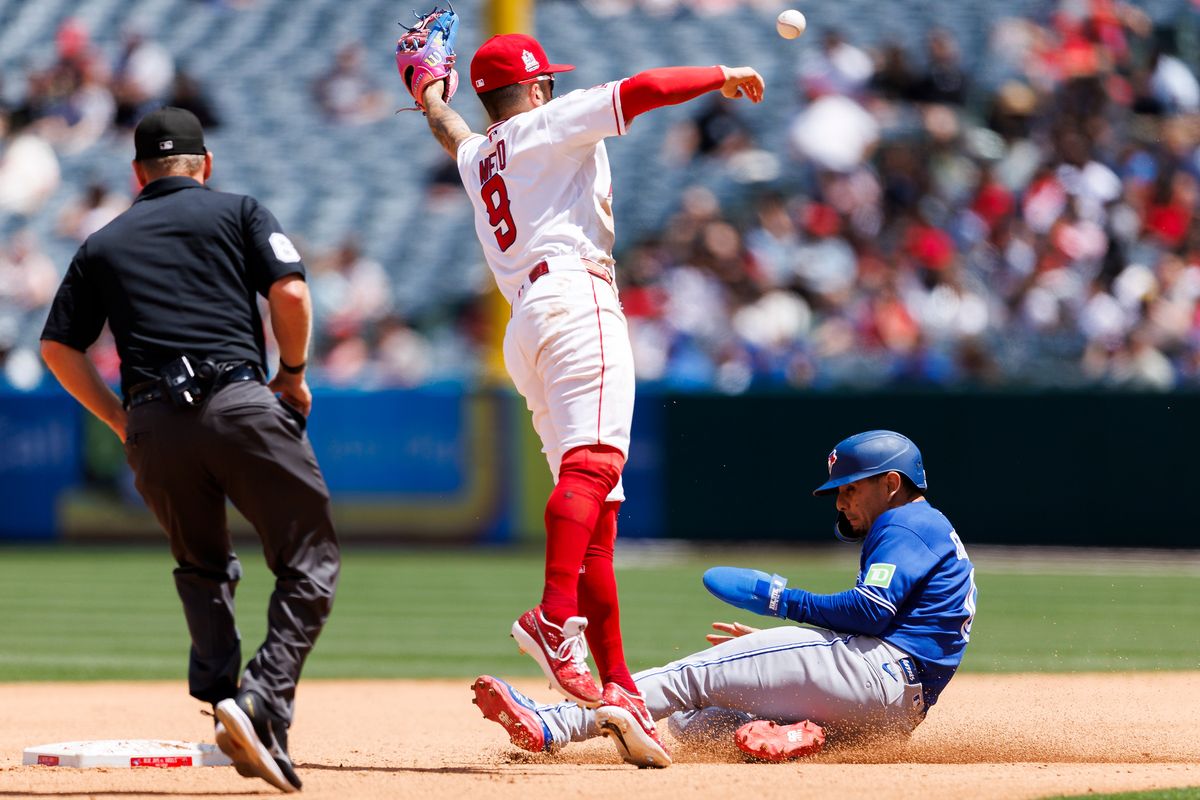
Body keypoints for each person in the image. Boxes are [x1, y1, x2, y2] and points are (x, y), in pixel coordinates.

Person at [407, 29, 764, 768]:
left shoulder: (478, 155)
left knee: (596, 505)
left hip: (526, 325)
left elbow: (448, 126)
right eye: (547, 81)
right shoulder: (545, 122)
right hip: (576, 299)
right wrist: (720, 73)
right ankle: (552, 617)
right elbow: (640, 89)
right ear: (534, 88)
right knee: (596, 470)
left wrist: (427, 92)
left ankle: (619, 686)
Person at [39, 107, 339, 794]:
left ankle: (226, 699)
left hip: (152, 422)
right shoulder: (239, 212)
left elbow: (57, 347)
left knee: (202, 565)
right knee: (309, 558)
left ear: (137, 174)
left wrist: (120, 420)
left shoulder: (103, 243)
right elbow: (290, 290)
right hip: (237, 401)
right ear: (205, 166)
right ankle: (262, 698)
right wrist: (290, 374)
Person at [472, 430, 977, 764]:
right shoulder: (928, 529)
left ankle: (551, 725)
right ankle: (802, 735)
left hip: (872, 675)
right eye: (837, 490)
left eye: (850, 487)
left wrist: (783, 601)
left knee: (692, 675)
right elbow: (896, 622)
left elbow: (871, 611)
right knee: (698, 722)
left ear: (892, 483)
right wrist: (794, 654)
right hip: (896, 712)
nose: (841, 500)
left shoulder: (907, 523)